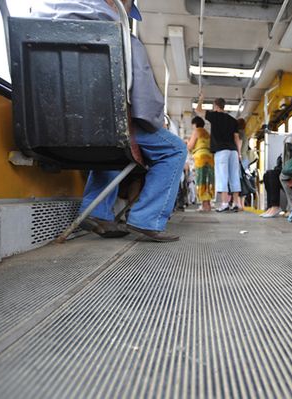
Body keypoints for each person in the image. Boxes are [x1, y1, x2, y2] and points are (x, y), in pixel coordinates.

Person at [32, 0, 187, 242]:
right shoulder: (121, 36)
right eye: (126, 8)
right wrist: (156, 121)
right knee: (174, 149)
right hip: (105, 122)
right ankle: (147, 219)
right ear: (115, 4)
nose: (126, 14)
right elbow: (143, 98)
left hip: (48, 123)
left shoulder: (40, 19)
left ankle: (97, 212)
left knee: (108, 143)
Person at [195, 95, 242, 212]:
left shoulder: (214, 116)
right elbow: (237, 138)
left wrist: (201, 99)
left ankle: (225, 203)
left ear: (215, 106)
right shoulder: (233, 120)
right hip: (233, 151)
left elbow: (198, 110)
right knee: (234, 177)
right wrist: (239, 153)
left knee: (222, 177)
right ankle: (236, 203)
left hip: (222, 151)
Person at [187, 116, 215, 212]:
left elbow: (190, 146)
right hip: (210, 159)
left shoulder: (196, 131)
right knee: (208, 181)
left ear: (195, 124)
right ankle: (208, 204)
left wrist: (187, 142)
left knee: (201, 180)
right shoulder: (207, 133)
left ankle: (204, 205)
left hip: (201, 159)